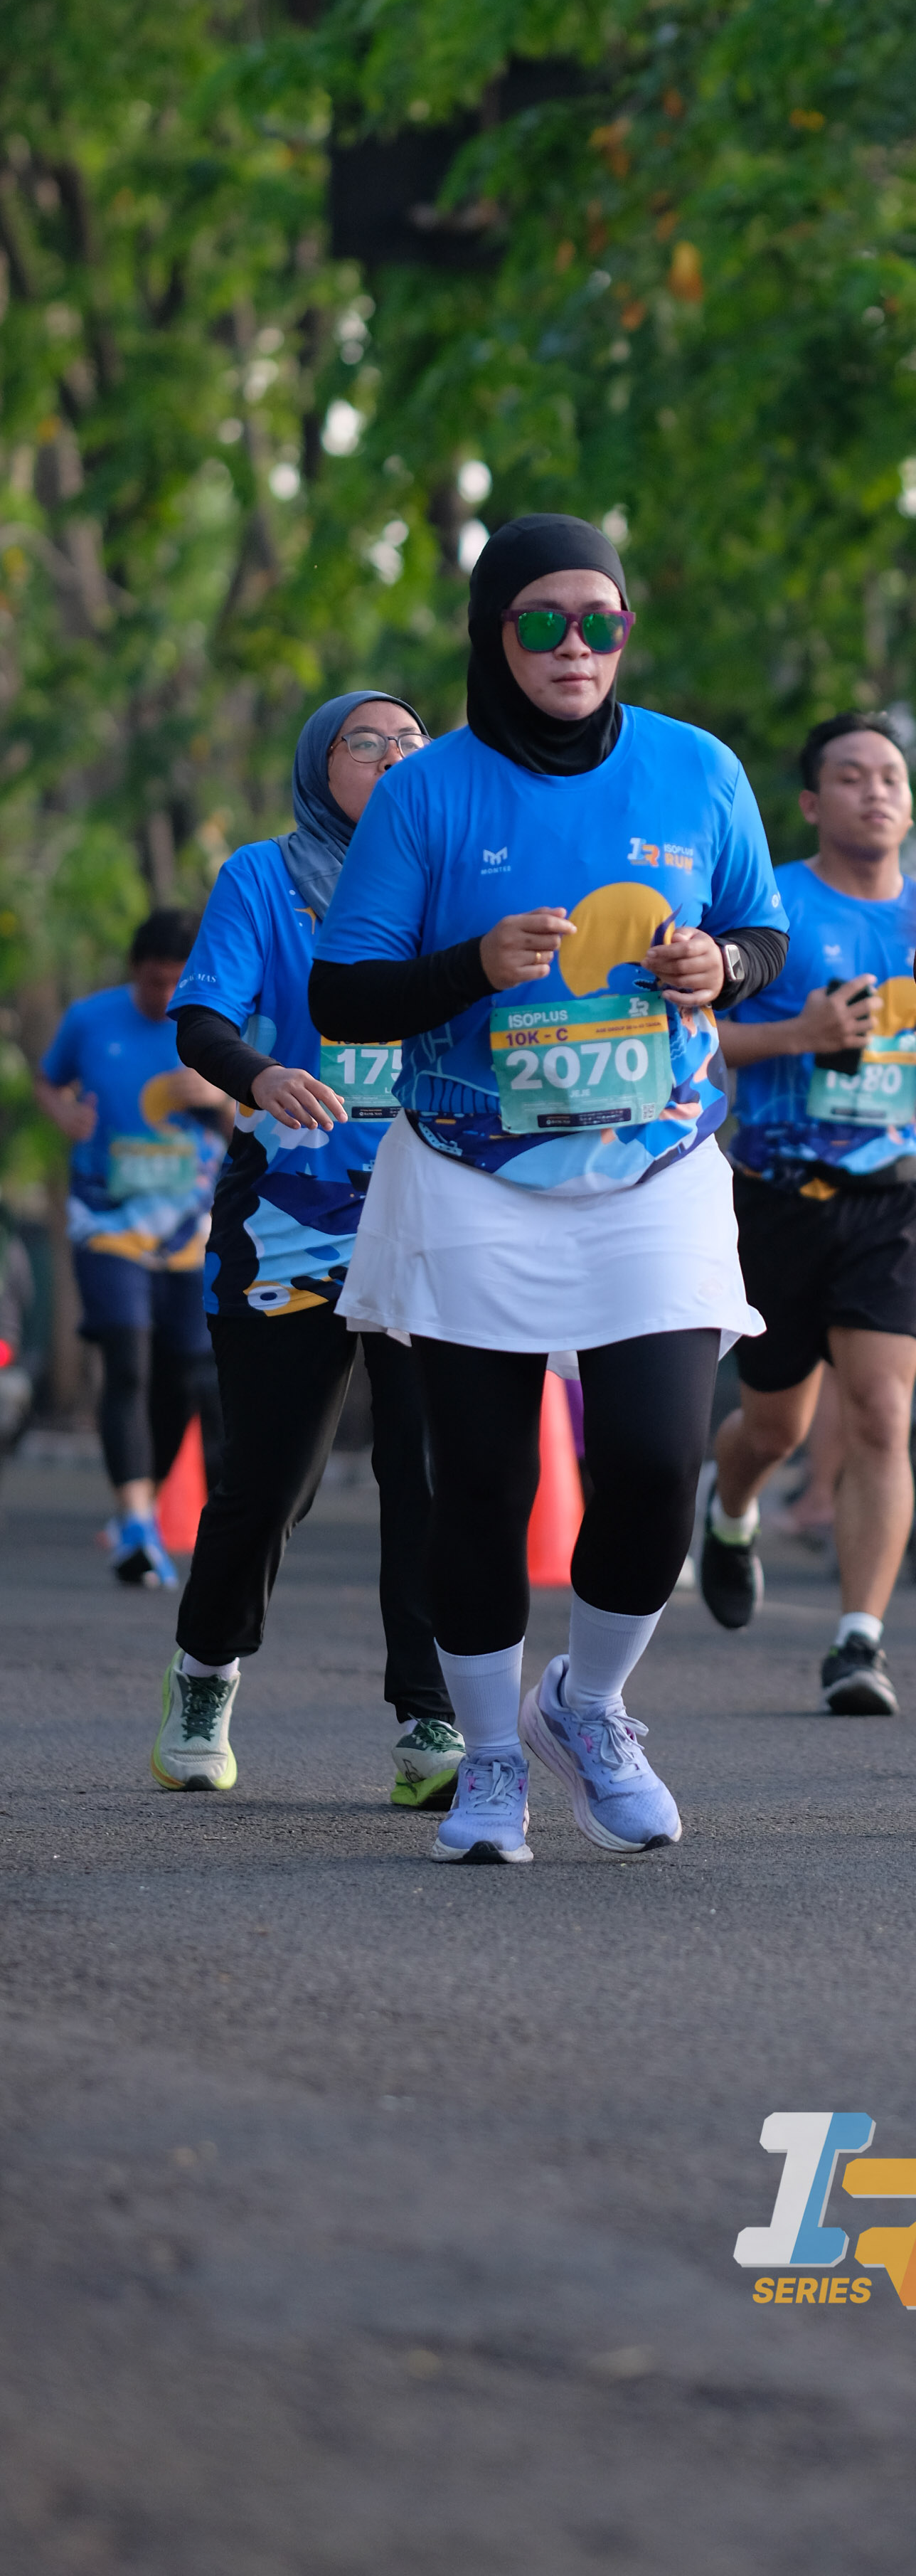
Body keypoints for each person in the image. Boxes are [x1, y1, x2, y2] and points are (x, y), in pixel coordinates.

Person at [309, 514, 787, 1867]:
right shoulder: (428, 793)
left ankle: (589, 1706)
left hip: (655, 1167)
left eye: (601, 621)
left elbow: (764, 932)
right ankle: (489, 1761)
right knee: (482, 1481)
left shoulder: (698, 769)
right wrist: (473, 965)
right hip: (474, 1175)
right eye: (541, 622)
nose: (575, 647)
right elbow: (342, 995)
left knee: (655, 1461)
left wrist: (723, 969)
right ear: (493, 634)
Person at [151, 692, 464, 1807]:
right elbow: (202, 1022)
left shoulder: (461, 880)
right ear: (318, 767)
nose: (394, 756)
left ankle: (429, 1715)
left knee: (427, 1470)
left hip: (435, 1218)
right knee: (271, 1480)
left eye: (412, 741)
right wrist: (262, 1073)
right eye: (365, 743)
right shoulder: (264, 876)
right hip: (290, 1218)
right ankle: (206, 1671)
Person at [703, 713, 916, 1712]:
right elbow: (695, 1038)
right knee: (773, 1426)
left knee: (881, 1409)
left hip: (894, 1199)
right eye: (853, 777)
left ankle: (859, 1641)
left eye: (891, 778)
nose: (876, 792)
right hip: (778, 1194)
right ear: (813, 802)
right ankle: (732, 1507)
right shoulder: (768, 905)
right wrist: (798, 1034)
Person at [34, 908, 230, 1588]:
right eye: (154, 983)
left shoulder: (219, 1022)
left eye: (178, 982)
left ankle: (142, 1502)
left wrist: (219, 1097)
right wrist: (64, 1112)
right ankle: (138, 1519)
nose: (166, 996)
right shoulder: (90, 1020)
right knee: (126, 1359)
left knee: (183, 1376)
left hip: (190, 1231)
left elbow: (257, 1116)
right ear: (133, 973)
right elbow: (48, 1080)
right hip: (107, 1220)